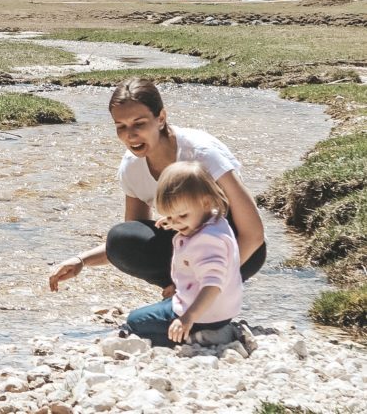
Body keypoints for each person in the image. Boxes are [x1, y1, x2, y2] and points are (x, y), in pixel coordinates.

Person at [48, 77, 265, 297]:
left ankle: (199, 294)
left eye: (139, 123)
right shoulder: (132, 167)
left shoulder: (202, 153)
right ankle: (179, 291)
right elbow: (132, 239)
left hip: (240, 251)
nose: (130, 135)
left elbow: (253, 234)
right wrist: (81, 261)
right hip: (187, 245)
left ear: (161, 118)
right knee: (121, 238)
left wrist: (211, 283)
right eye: (120, 126)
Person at [123, 162, 242, 346]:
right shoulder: (214, 219)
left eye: (182, 216)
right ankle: (209, 329)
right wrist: (174, 219)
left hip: (203, 315)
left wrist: (188, 317)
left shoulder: (207, 241)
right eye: (171, 216)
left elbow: (213, 285)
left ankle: (201, 337)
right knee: (153, 311)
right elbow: (186, 214)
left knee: (135, 322)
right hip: (221, 311)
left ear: (206, 202)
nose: (176, 223)